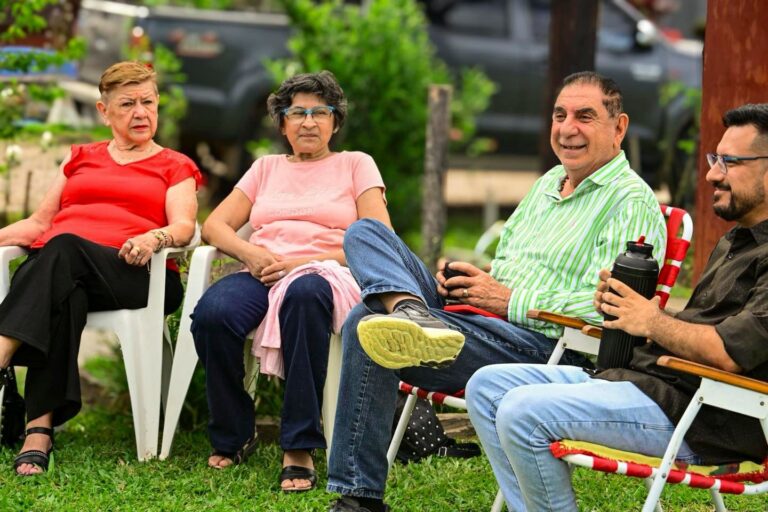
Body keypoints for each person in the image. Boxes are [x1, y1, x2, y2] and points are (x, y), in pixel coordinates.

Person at [326, 71, 666, 512]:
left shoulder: (630, 203)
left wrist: (506, 299)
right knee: (366, 232)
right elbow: (507, 268)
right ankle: (412, 310)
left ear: (619, 127)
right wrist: (470, 280)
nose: (568, 128)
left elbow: (614, 310)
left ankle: (357, 500)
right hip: (478, 321)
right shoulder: (549, 184)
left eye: (585, 116)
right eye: (560, 115)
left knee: (364, 322)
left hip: (548, 351)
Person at [465, 102, 768, 511]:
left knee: (522, 410)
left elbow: (729, 352)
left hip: (701, 415)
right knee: (486, 388)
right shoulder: (737, 239)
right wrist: (626, 309)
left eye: (730, 162)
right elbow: (700, 328)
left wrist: (651, 320)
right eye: (716, 159)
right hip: (649, 383)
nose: (713, 173)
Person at [190, 71, 390, 492]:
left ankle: (298, 444)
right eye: (297, 112)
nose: (309, 122)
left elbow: (377, 239)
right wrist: (252, 254)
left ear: (336, 122)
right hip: (263, 271)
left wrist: (301, 261)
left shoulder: (356, 164)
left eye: (321, 112)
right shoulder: (265, 169)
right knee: (212, 314)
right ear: (282, 123)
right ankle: (234, 431)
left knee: (304, 295)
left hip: (326, 273)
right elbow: (215, 225)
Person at [0, 61, 201, 476]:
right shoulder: (80, 158)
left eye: (148, 101)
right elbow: (39, 222)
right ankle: (38, 432)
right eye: (127, 104)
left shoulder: (174, 165)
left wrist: (154, 237)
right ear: (103, 110)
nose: (140, 112)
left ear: (158, 104)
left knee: (63, 248)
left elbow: (184, 226)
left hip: (135, 273)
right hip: (64, 272)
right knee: (64, 285)